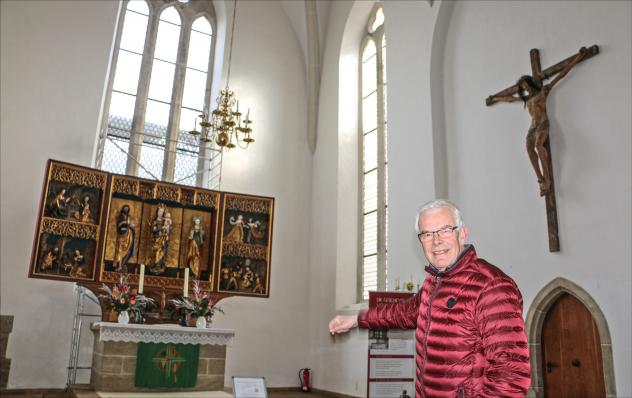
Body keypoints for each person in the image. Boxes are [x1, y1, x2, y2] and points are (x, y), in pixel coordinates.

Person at [329, 200, 530, 397]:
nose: (436, 241)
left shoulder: (490, 285)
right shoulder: (434, 282)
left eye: (445, 230)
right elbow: (404, 313)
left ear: (462, 234)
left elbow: (511, 375)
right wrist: (356, 319)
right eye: (427, 234)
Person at [488, 47, 587, 196]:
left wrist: (578, 57)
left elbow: (561, 75)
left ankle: (547, 179)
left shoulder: (543, 91)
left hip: (542, 123)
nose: (526, 88)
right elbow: (509, 99)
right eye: (523, 88)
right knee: (529, 148)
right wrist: (495, 98)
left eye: (526, 85)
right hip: (532, 127)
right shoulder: (527, 99)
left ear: (530, 83)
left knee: (539, 146)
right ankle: (540, 178)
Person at [113, 204, 135, 272]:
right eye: (125, 208)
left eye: (127, 209)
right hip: (121, 235)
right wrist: (124, 222)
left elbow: (132, 225)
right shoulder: (120, 216)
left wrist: (131, 226)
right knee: (120, 251)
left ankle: (123, 264)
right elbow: (118, 224)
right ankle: (119, 266)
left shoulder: (129, 217)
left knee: (128, 250)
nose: (126, 210)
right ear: (123, 209)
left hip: (128, 235)